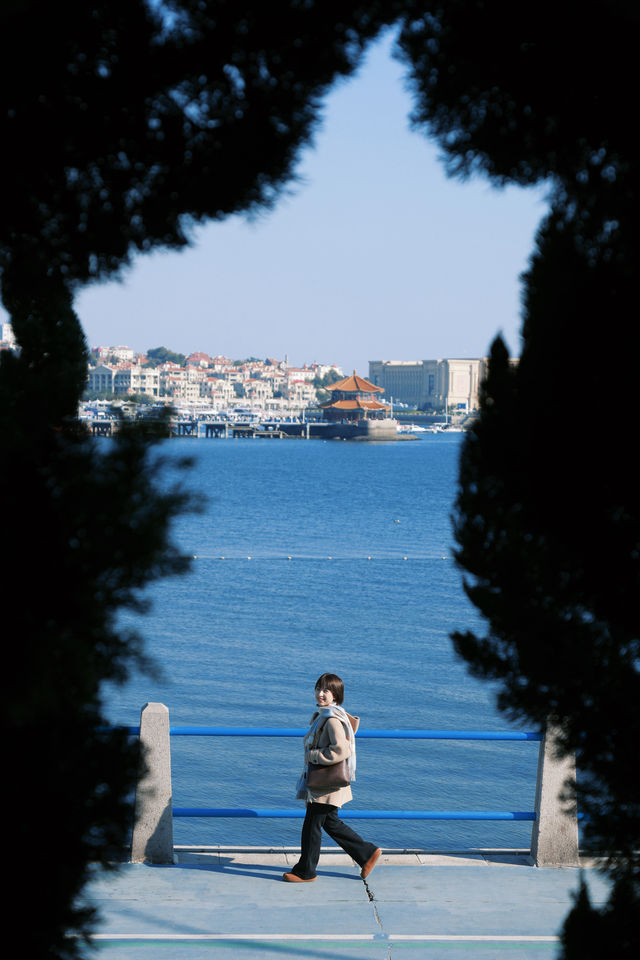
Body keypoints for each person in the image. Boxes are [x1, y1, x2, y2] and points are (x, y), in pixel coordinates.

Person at [283, 672, 381, 883]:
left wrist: (313, 756)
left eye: (326, 690)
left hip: (325, 784)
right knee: (329, 823)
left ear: (336, 695)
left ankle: (306, 871)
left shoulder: (332, 720)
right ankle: (367, 853)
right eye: (319, 689)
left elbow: (340, 750)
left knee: (312, 826)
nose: (321, 693)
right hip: (328, 784)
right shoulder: (327, 715)